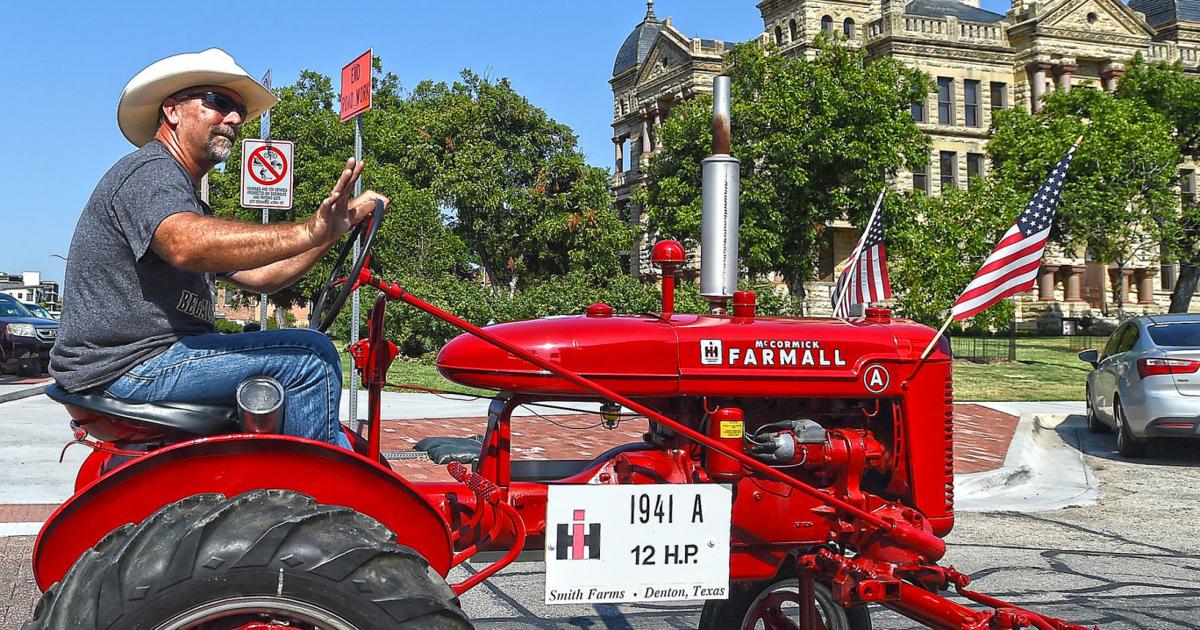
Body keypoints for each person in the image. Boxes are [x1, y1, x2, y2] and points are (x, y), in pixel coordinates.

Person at [50, 49, 387, 449]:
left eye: (239, 110)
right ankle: (320, 487)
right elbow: (185, 244)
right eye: (218, 102)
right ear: (172, 110)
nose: (235, 119)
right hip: (127, 366)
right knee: (309, 358)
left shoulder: (186, 200)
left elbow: (265, 277)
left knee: (306, 351)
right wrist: (309, 229)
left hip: (146, 362)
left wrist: (331, 231)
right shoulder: (150, 171)